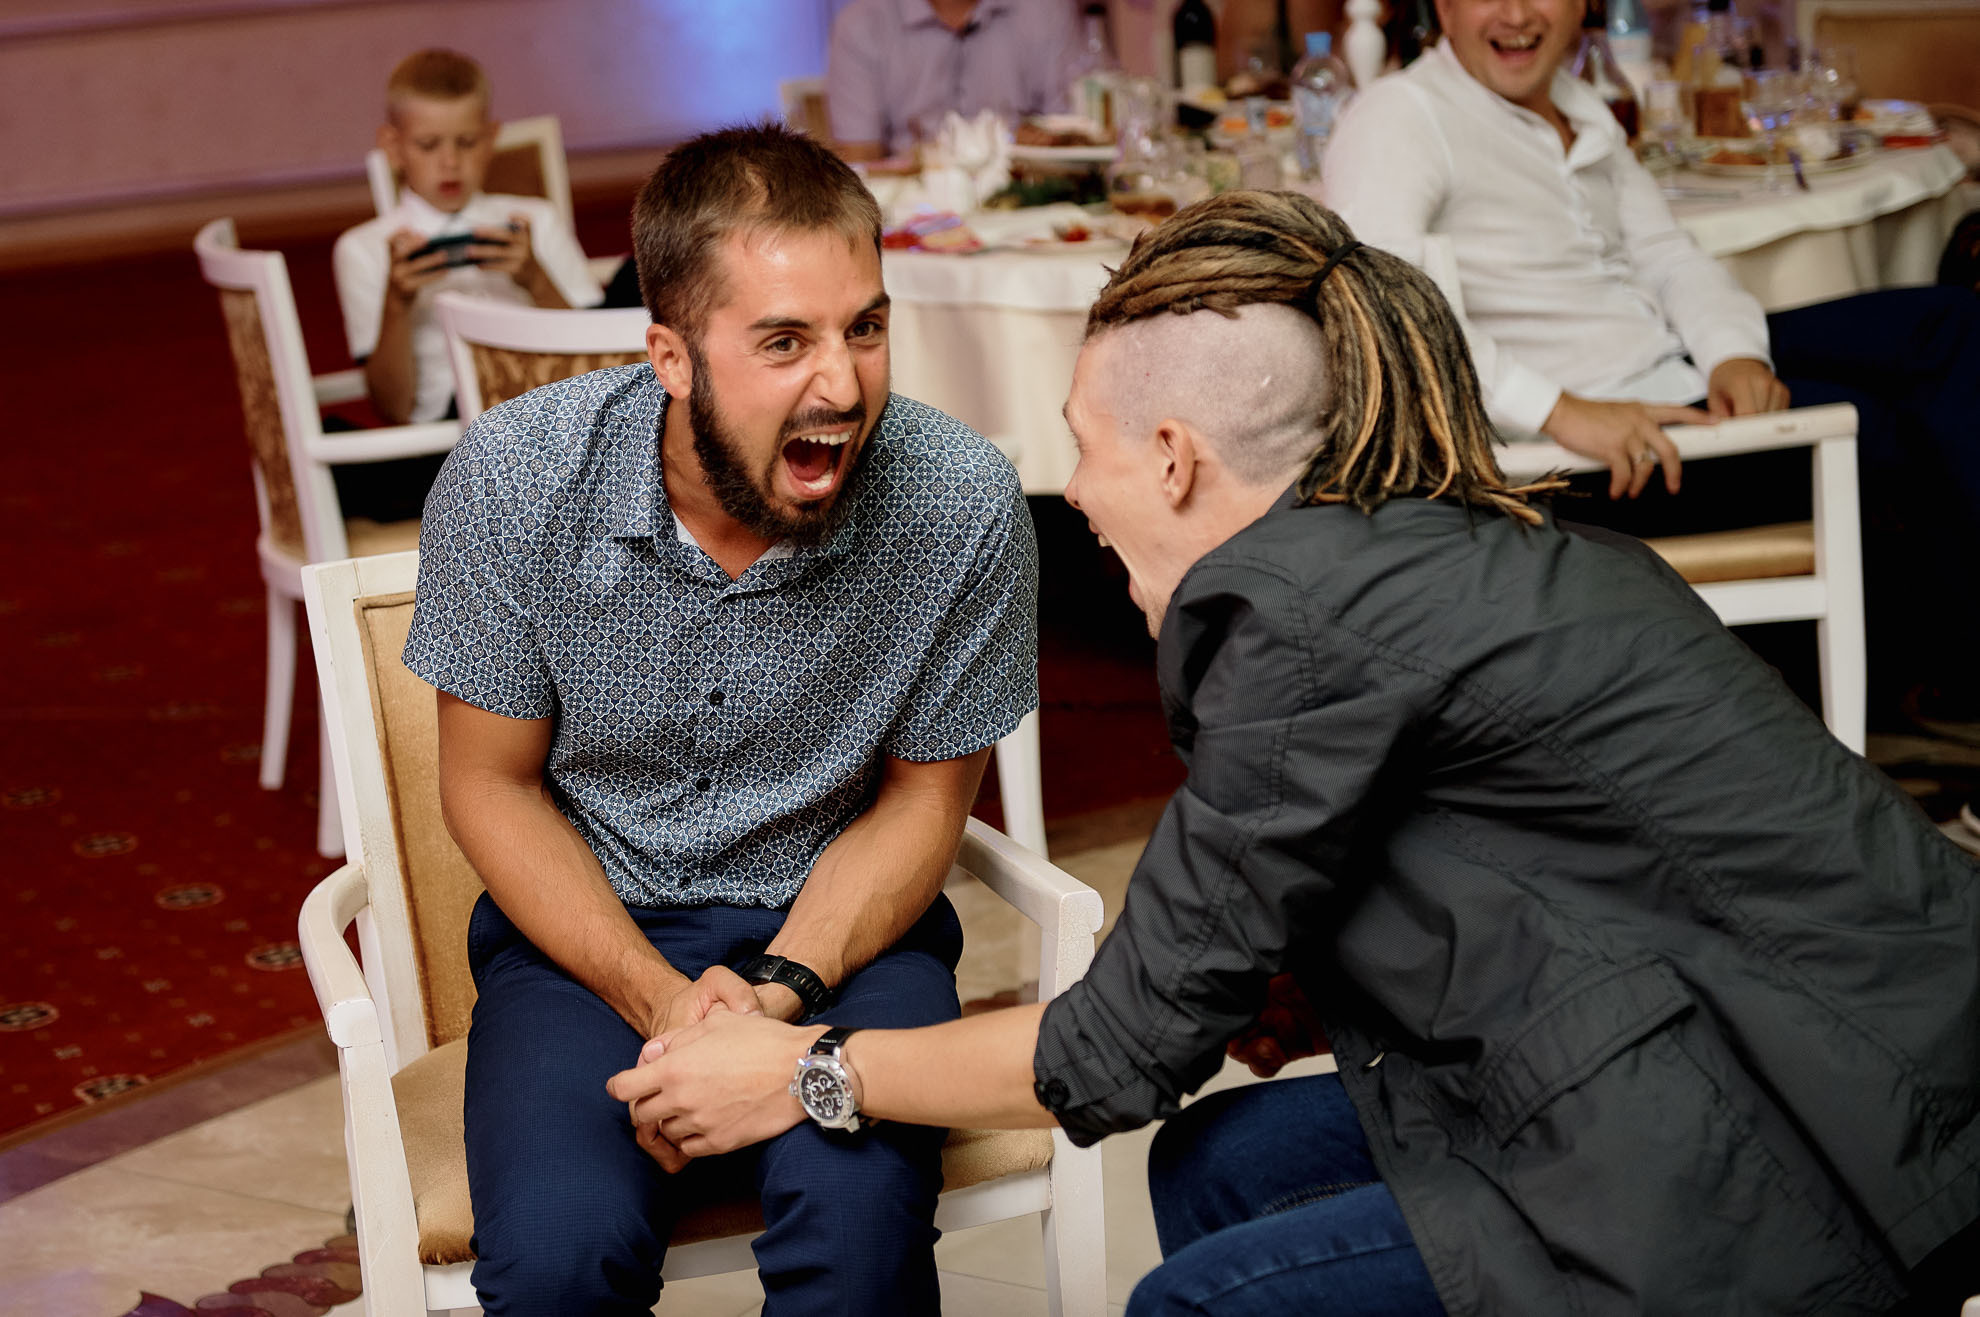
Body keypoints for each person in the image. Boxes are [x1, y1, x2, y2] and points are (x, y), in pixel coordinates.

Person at [608, 191, 1980, 1316]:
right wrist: (1320, 986)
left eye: (1084, 452)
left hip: (1824, 1148)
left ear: (1177, 459)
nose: (1074, 492)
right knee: (1225, 1155)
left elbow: (1114, 1054)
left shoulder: (1303, 623)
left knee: (1194, 1303)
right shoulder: (1431, 553)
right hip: (1784, 1057)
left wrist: (804, 1070)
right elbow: (1560, 876)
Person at [403, 122, 1037, 1314]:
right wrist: (662, 1004)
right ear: (673, 356)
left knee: (860, 1250)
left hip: (851, 939)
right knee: (556, 1258)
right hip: (586, 948)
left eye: (866, 327)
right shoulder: (516, 476)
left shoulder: (960, 502)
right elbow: (486, 784)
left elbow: (925, 802)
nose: (842, 386)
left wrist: (782, 997)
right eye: (784, 341)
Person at [1322, 0, 1980, 767]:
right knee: (1889, 427)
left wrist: (1737, 354)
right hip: (1605, 447)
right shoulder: (1399, 116)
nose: (1514, 15)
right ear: (1441, 5)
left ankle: (1953, 671)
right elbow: (1384, 311)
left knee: (1947, 327)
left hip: (1670, 366)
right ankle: (1955, 677)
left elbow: (1668, 256)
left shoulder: (1573, 105)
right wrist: (1561, 411)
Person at [333, 49, 602, 431]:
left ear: (492, 138)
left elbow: (598, 362)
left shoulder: (535, 219)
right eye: (428, 145)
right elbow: (391, 408)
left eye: (467, 142)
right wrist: (397, 305)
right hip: (445, 439)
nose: (450, 162)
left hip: (549, 419)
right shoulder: (363, 249)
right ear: (393, 148)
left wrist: (536, 280)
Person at [826, 0, 1079, 160]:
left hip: (1030, 197)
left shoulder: (1048, 9)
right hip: (909, 213)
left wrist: (1038, 141)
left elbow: (1073, 130)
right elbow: (859, 158)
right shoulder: (862, 22)